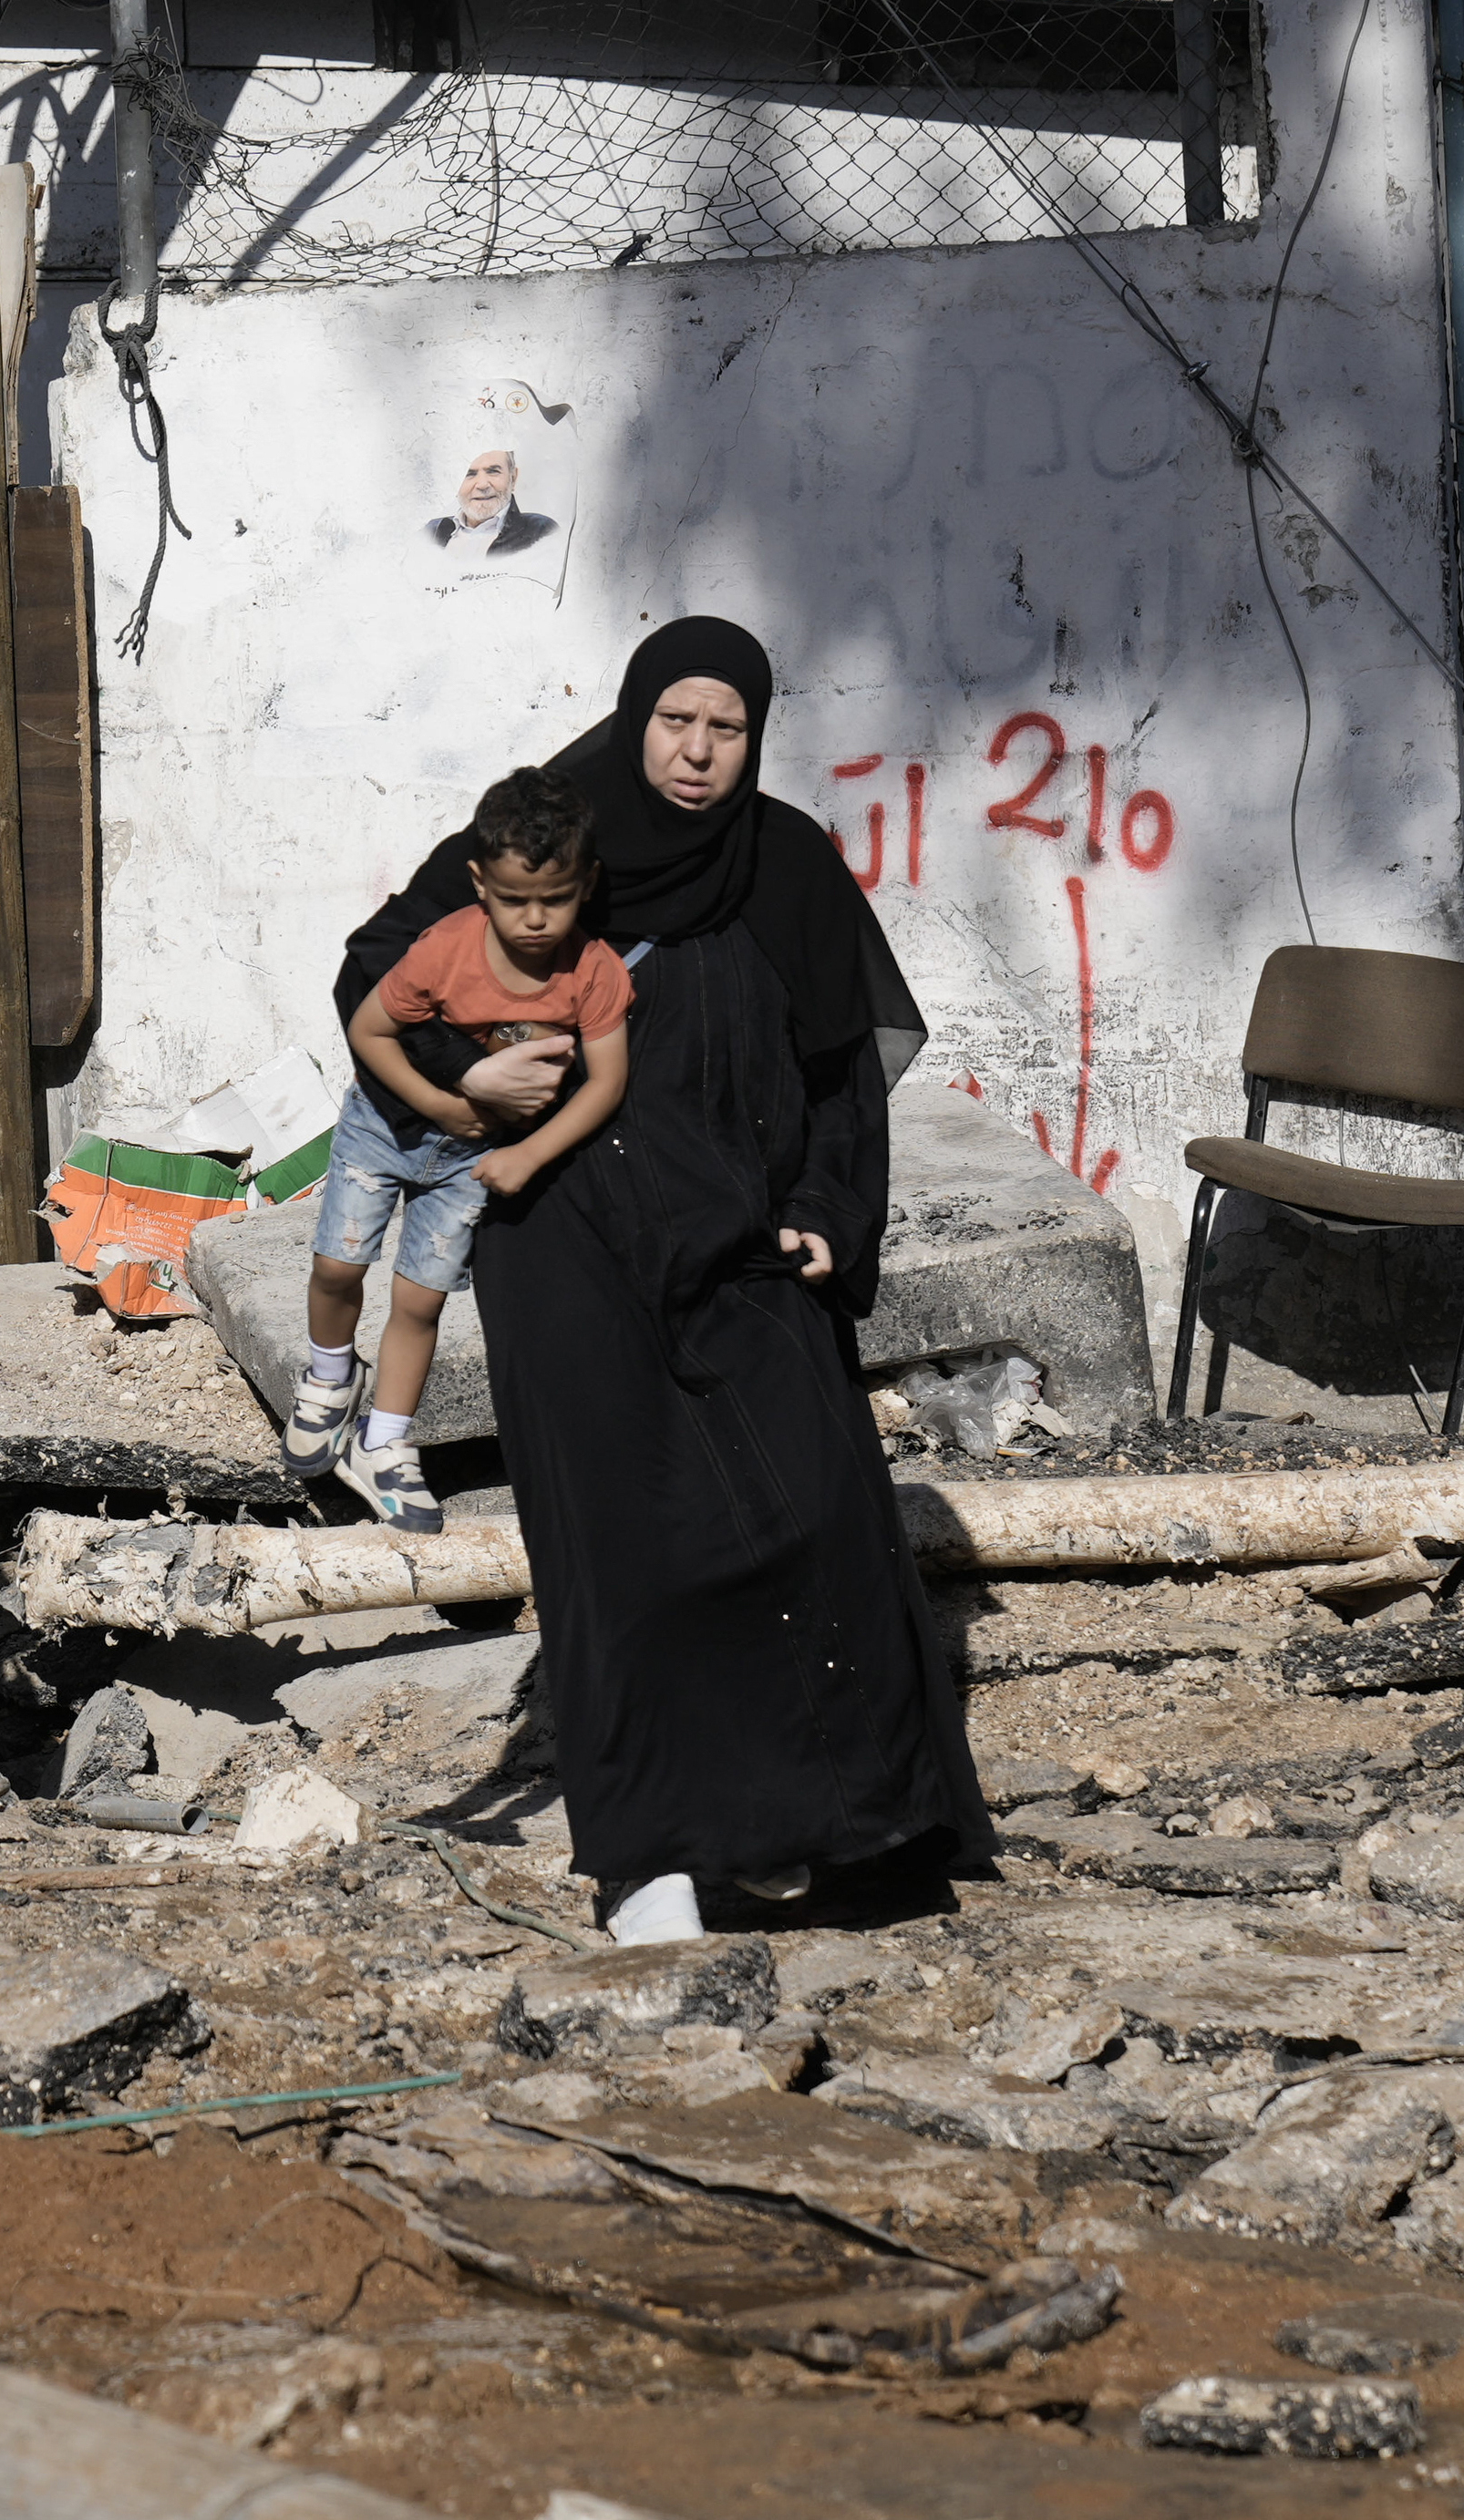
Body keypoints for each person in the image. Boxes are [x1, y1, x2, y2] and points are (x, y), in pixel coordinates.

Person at [336, 617, 985, 1946]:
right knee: (620, 1542)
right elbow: (375, 977)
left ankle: (831, 1828)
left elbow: (835, 1069)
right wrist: (463, 1080)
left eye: (725, 728)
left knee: (808, 1504)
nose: (695, 754)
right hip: (561, 1240)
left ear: (753, 737)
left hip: (738, 1238)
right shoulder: (550, 850)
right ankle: (650, 1862)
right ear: (636, 717)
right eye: (674, 721)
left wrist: (822, 1205)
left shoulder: (783, 862)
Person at [291, 768, 633, 1530]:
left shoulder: (594, 972)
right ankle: (326, 1375)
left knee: (419, 1300)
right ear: (479, 883)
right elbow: (368, 1031)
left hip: (466, 1166)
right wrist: (447, 1102)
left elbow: (605, 1085)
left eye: (557, 898)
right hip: (385, 1130)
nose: (536, 920)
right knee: (337, 1265)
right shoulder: (443, 950)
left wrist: (527, 1154)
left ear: (589, 884)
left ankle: (383, 1443)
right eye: (515, 900)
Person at [425, 447, 555, 555]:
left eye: (493, 472)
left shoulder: (540, 532)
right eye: (468, 473)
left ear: (513, 478)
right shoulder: (430, 533)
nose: (482, 485)